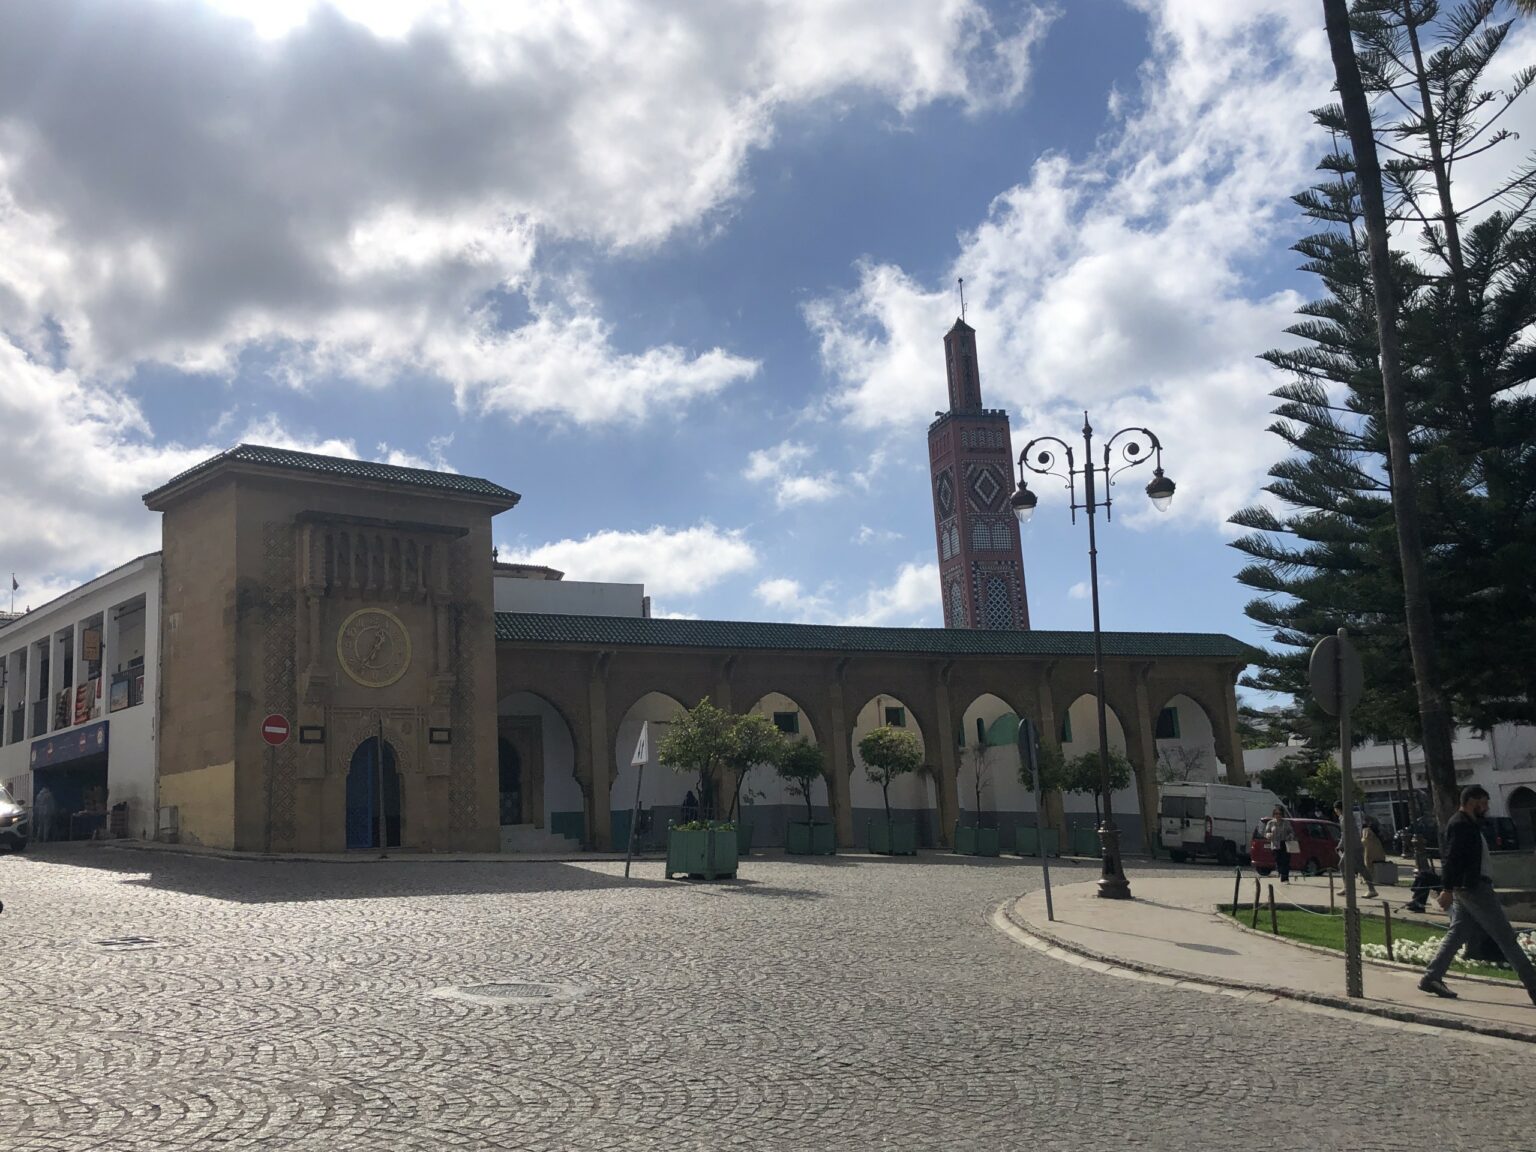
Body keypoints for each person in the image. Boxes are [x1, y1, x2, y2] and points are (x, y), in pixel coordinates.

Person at [1419, 786, 1536, 1004]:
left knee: (1458, 933)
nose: (1487, 807)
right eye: (1484, 802)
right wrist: (1447, 889)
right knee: (1506, 937)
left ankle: (1432, 976)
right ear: (1472, 801)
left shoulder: (1468, 824)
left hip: (1471, 886)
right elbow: (1452, 858)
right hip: (1474, 888)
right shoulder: (1461, 824)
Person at [1265, 805, 1294, 883]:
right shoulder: (1270, 823)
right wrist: (1268, 835)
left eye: (1279, 814)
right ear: (1273, 814)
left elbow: (1291, 832)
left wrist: (1290, 836)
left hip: (1285, 843)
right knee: (1278, 861)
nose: (1278, 815)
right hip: (1275, 844)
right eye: (1276, 813)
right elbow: (1267, 832)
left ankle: (1285, 878)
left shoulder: (1286, 822)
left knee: (1285, 861)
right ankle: (1281, 873)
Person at [1359, 818, 1384, 899]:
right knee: (1369, 866)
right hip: (1376, 850)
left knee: (1367, 866)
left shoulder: (1366, 830)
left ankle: (1370, 885)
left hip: (1369, 851)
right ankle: (1370, 883)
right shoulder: (1374, 832)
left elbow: (1364, 840)